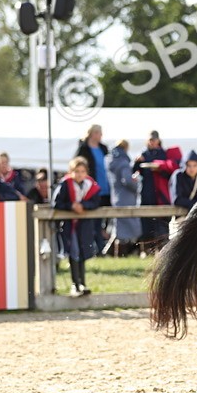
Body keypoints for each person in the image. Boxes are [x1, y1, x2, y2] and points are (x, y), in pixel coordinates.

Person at [53, 156, 101, 297]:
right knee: (74, 251)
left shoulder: (91, 186)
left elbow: (96, 202)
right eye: (76, 171)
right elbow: (56, 203)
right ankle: (75, 283)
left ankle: (82, 283)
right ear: (71, 172)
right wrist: (71, 206)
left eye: (82, 171)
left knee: (83, 251)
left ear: (86, 172)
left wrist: (84, 206)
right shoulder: (64, 185)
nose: (79, 174)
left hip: (84, 225)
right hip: (69, 225)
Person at [133, 131, 180, 252]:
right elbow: (135, 171)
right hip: (146, 192)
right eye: (150, 140)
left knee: (161, 222)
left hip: (161, 193)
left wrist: (159, 167)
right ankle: (146, 250)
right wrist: (137, 162)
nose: (152, 142)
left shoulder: (163, 154)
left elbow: (170, 171)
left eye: (154, 140)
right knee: (146, 222)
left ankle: (163, 249)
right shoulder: (143, 153)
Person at [74, 125, 112, 254]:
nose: (99, 135)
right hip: (91, 189)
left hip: (105, 188)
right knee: (93, 221)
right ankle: (96, 248)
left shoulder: (104, 148)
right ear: (90, 133)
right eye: (96, 132)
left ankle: (102, 247)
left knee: (105, 219)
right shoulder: (83, 149)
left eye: (100, 133)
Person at [107, 141, 141, 257]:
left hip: (116, 197)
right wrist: (135, 181)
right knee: (129, 229)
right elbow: (127, 180)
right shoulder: (123, 162)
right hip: (126, 198)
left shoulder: (111, 160)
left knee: (118, 228)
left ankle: (113, 254)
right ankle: (121, 254)